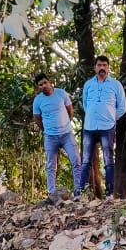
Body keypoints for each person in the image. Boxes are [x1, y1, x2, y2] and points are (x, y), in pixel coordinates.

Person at [79, 55, 126, 197]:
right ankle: (80, 193)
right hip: (89, 127)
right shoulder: (88, 84)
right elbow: (86, 104)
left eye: (104, 65)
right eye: (99, 65)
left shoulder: (116, 85)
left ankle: (109, 193)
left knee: (108, 160)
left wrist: (112, 118)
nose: (102, 68)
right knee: (86, 161)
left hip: (107, 127)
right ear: (95, 68)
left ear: (108, 68)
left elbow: (122, 107)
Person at [32, 72, 82, 201]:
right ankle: (52, 194)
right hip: (50, 137)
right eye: (40, 85)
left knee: (76, 160)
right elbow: (37, 119)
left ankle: (78, 191)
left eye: (45, 83)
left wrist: (66, 124)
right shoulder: (38, 100)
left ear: (50, 82)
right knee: (50, 166)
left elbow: (70, 110)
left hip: (66, 134)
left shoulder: (61, 94)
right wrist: (47, 130)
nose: (43, 86)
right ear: (38, 87)